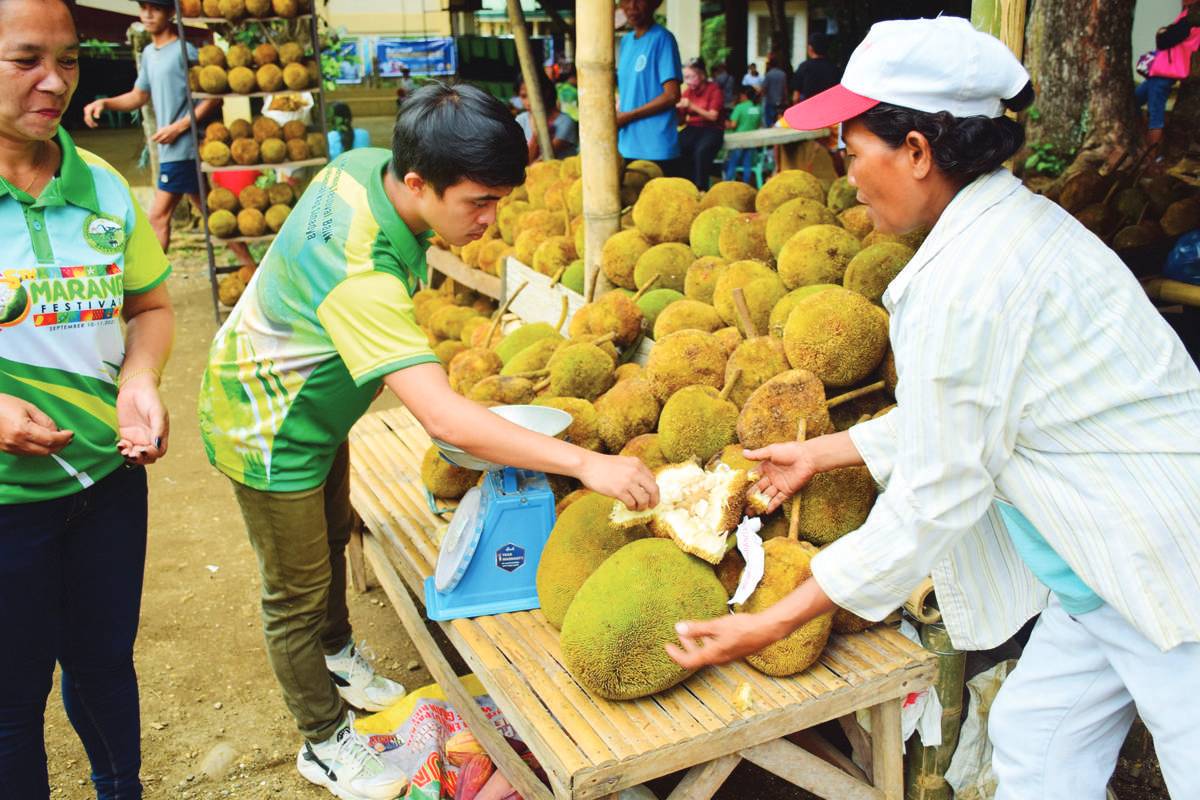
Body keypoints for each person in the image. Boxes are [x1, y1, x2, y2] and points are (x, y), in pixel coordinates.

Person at [668, 17, 1200, 800]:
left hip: (1164, 559)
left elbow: (937, 490)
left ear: (916, 151)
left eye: (851, 152)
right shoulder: (995, 234)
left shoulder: (973, 281)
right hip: (1100, 574)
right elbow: (974, 419)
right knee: (1035, 741)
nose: (845, 175)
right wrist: (824, 452)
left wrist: (778, 617)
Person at [197, 83, 658, 800]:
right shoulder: (358, 275)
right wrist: (584, 462)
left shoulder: (363, 165)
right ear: (418, 183)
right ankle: (322, 743)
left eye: (500, 199)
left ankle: (338, 653)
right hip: (268, 425)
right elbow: (443, 420)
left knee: (330, 531)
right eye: (478, 202)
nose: (491, 219)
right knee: (293, 590)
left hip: (316, 407)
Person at [0, 0, 174, 795]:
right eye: (25, 60)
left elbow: (151, 306)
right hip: (5, 507)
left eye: (67, 61)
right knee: (10, 702)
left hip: (105, 486)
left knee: (105, 669)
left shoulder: (102, 186)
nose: (54, 82)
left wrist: (138, 379)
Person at [82, 0, 255, 273]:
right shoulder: (150, 53)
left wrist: (180, 126)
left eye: (156, 8)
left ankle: (150, 279)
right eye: (144, 8)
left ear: (170, 13)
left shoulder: (184, 50)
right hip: (171, 150)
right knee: (212, 214)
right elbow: (139, 95)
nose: (148, 14)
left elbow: (212, 96)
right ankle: (252, 268)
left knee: (158, 216)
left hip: (183, 148)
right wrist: (105, 104)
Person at [616, 0, 682, 171]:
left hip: (656, 148)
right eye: (626, 1)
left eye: (639, 0)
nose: (632, 6)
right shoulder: (625, 42)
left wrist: (629, 116)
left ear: (654, 3)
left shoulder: (663, 39)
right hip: (627, 145)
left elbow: (672, 95)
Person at [1136, 1, 1200, 151]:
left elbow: (1164, 41)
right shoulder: (1188, 15)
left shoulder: (1191, 19)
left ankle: (1152, 154)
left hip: (1164, 73)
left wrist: (1162, 31)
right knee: (1133, 100)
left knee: (1155, 116)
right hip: (1161, 72)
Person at [675, 58, 725, 189]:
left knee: (701, 151)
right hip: (693, 128)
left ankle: (701, 188)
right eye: (685, 78)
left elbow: (713, 116)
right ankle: (684, 185)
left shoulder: (714, 90)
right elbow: (680, 121)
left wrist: (691, 106)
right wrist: (676, 110)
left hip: (712, 129)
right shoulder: (687, 93)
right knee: (677, 146)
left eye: (691, 77)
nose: (687, 81)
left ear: (702, 75)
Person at [515, 73, 578, 161]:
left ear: (546, 93)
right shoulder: (521, 120)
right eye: (524, 96)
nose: (528, 102)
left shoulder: (566, 122)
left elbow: (544, 158)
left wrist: (536, 134)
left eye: (532, 95)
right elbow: (519, 161)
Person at [723, 85, 762, 183]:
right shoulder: (758, 108)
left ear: (744, 95)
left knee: (732, 163)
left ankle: (727, 182)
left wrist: (725, 124)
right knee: (747, 164)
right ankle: (746, 183)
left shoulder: (740, 107)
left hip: (738, 140)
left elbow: (733, 125)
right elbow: (758, 125)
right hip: (752, 141)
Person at [791, 31, 840, 104]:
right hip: (829, 110)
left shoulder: (804, 67)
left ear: (810, 48)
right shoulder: (834, 68)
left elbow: (796, 97)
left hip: (809, 110)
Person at [760, 53, 788, 127]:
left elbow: (763, 89)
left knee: (769, 122)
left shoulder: (769, 74)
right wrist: (786, 100)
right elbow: (785, 89)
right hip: (780, 102)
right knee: (778, 122)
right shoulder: (783, 74)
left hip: (770, 102)